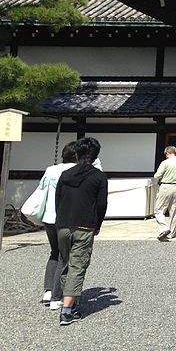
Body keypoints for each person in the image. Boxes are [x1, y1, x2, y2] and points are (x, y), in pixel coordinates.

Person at [54, 137, 108, 326]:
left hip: (63, 224)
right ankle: (67, 311)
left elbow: (58, 199)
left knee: (66, 262)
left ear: (76, 154)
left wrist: (59, 220)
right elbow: (101, 204)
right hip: (84, 225)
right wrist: (98, 224)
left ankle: (70, 301)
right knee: (78, 265)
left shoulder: (66, 175)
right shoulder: (99, 177)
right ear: (95, 156)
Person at [37, 141, 77, 311]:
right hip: (64, 217)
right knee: (64, 256)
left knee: (54, 252)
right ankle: (56, 296)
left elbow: (42, 188)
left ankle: (47, 291)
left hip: (48, 216)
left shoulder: (50, 170)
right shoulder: (75, 172)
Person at [153, 145, 176, 239]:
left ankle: (164, 228)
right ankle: (171, 233)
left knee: (158, 210)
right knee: (173, 210)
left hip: (165, 186)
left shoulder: (165, 163)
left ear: (168, 152)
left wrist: (159, 178)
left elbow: (157, 175)